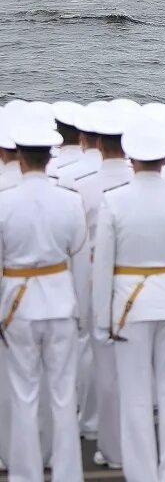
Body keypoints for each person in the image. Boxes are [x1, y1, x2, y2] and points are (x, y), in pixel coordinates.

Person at [94, 120, 165, 482]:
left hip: (129, 307)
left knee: (136, 397)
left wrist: (101, 321)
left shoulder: (113, 201)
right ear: (163, 160)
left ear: (131, 158)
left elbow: (103, 267)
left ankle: (142, 476)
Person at [0, 119, 86, 482]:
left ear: (19, 158)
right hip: (61, 301)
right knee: (63, 395)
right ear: (49, 159)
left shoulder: (4, 202)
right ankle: (67, 474)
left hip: (17, 306)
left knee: (24, 394)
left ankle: (26, 475)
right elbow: (79, 261)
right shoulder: (70, 201)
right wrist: (82, 310)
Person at [73, 106, 133, 470]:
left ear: (93, 143)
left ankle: (93, 421)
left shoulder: (81, 185)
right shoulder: (138, 180)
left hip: (95, 274)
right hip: (138, 278)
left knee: (93, 354)